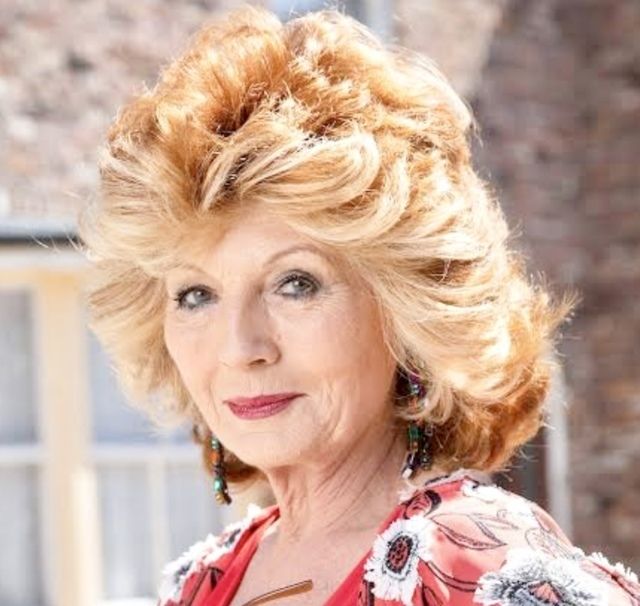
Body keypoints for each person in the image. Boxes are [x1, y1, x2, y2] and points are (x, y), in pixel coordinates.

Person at [78, 5, 640, 606]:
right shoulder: (202, 581)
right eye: (196, 296)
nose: (240, 348)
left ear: (405, 309)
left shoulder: (476, 566)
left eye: (296, 284)